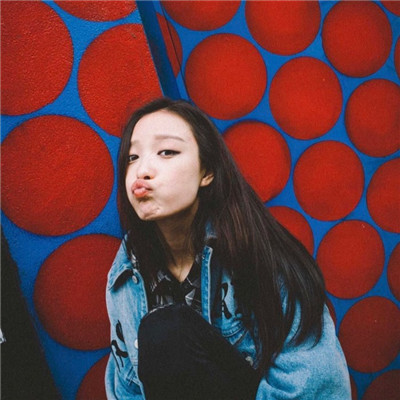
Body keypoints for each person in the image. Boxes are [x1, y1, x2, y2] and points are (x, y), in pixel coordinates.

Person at [105, 97, 351, 399]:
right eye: (132, 157)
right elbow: (126, 389)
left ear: (207, 171)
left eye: (167, 151)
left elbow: (318, 385)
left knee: (167, 331)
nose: (142, 170)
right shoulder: (125, 275)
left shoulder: (259, 254)